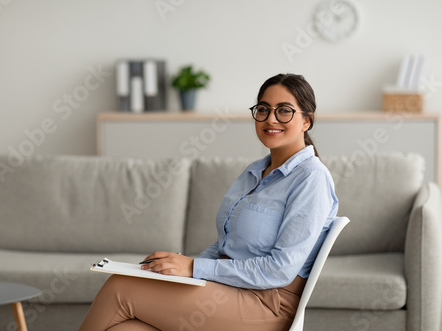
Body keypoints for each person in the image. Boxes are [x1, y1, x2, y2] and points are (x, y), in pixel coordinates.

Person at [78, 73, 339, 331]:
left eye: (284, 111)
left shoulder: (311, 178)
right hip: (227, 290)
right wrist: (180, 272)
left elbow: (279, 270)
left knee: (120, 287)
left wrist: (194, 267)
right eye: (263, 109)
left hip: (267, 304)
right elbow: (226, 245)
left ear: (307, 120)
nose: (271, 118)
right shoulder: (254, 172)